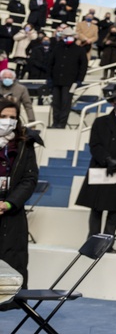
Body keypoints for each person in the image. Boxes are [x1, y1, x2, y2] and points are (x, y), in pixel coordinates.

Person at [74, 90, 116, 244]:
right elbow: (94, 144)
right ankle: (93, 241)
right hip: (100, 166)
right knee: (96, 207)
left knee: (114, 208)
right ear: (112, 103)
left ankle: (107, 242)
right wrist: (107, 159)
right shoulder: (100, 121)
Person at [0, 100, 40, 286]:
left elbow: (29, 179)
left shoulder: (25, 144)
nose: (8, 121)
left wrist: (8, 203)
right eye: (3, 117)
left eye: (12, 118)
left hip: (12, 214)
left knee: (10, 261)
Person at [48, 30, 88, 129]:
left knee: (66, 103)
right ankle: (55, 122)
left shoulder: (79, 50)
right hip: (56, 80)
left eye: (70, 36)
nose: (68, 38)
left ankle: (62, 124)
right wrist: (49, 78)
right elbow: (50, 64)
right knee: (56, 103)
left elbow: (83, 66)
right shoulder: (57, 48)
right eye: (66, 36)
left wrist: (79, 80)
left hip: (70, 81)